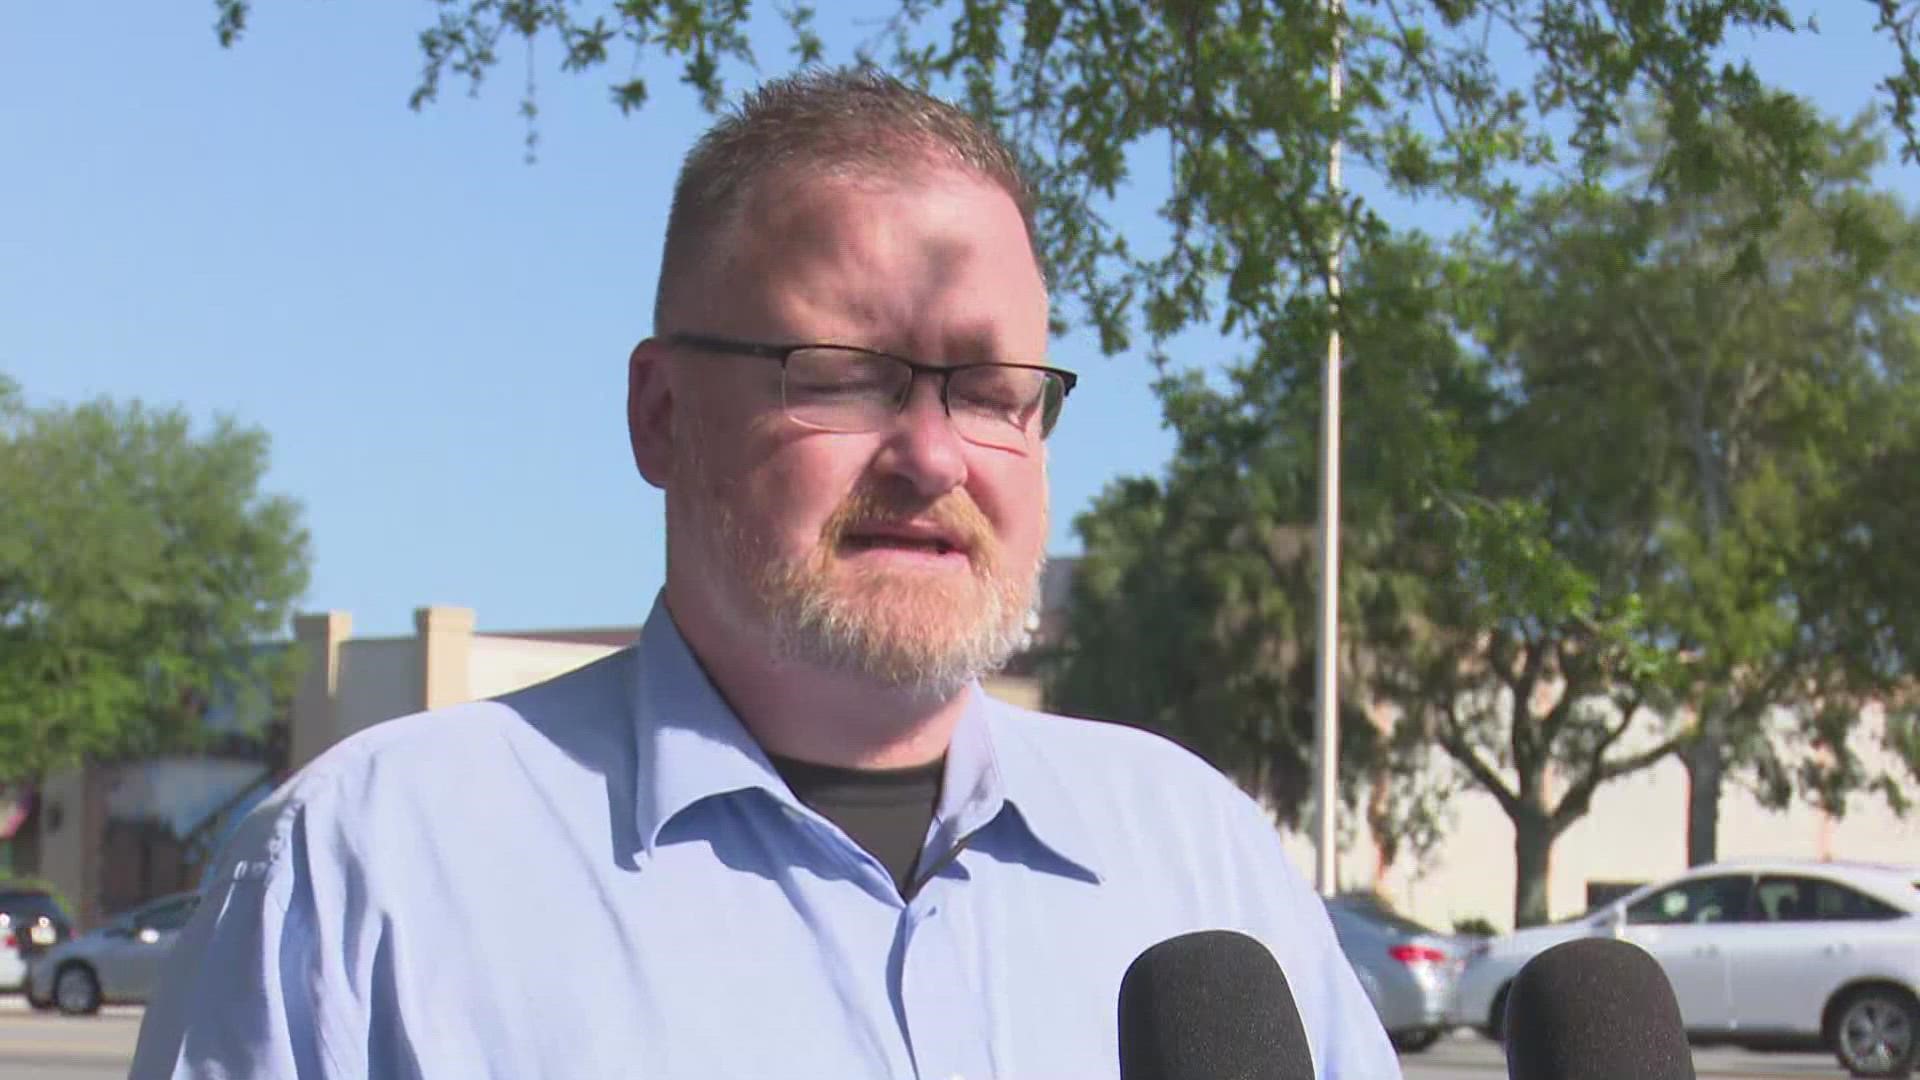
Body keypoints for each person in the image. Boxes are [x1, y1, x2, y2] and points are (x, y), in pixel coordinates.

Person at [131, 67, 1401, 1079]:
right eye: (844, 374)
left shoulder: (1196, 854)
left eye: (994, 389)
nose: (932, 452)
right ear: (662, 413)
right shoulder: (365, 876)